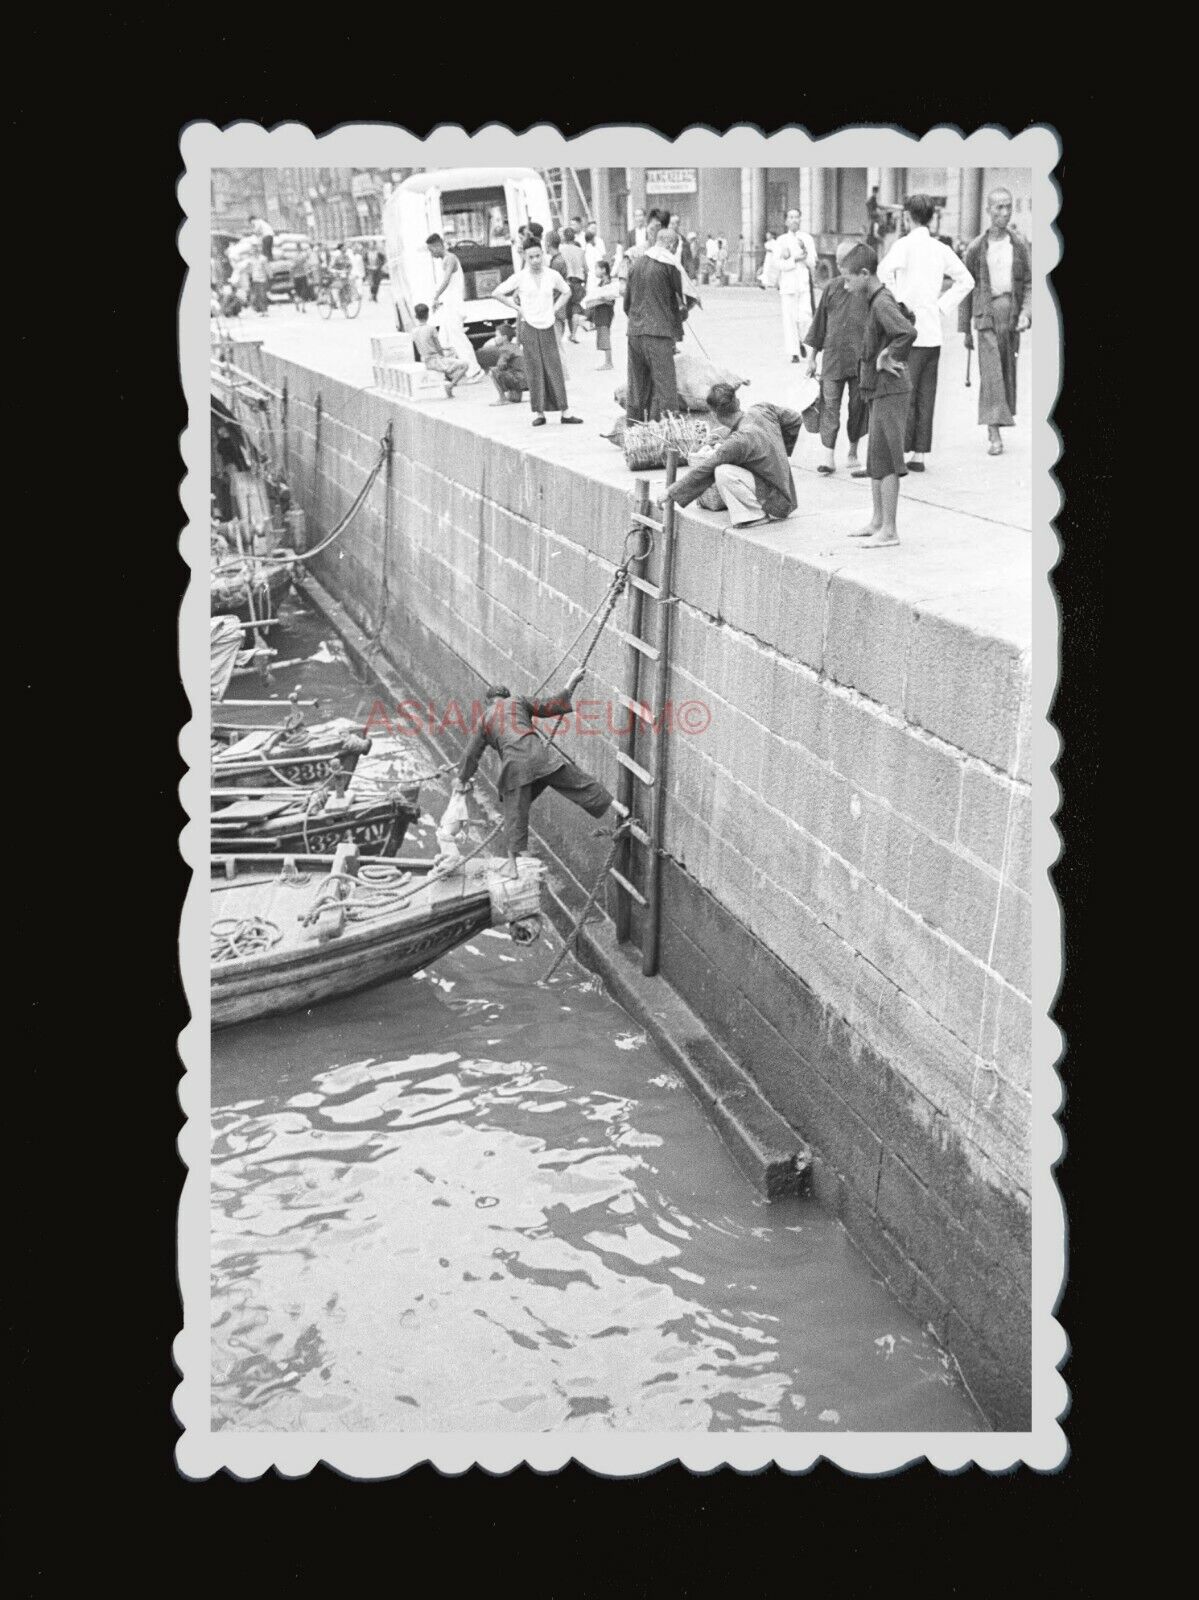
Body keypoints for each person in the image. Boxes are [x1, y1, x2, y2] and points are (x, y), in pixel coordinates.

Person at [454, 668, 612, 878]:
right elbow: (552, 705)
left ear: (489, 702)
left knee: (514, 814)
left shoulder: (484, 719)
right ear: (506, 698)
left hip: (516, 769)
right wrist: (572, 681)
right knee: (578, 783)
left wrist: (461, 778)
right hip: (541, 758)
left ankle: (515, 866)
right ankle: (619, 807)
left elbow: (471, 754)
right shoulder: (518, 701)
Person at [877, 193, 974, 471]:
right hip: (933, 331)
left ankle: (902, 452)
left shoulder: (903, 245)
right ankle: (919, 454)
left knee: (905, 392)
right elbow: (966, 281)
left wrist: (898, 302)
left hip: (908, 330)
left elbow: (884, 273)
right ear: (931, 217)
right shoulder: (940, 248)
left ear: (907, 217)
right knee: (926, 394)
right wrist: (941, 306)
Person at [839, 243, 916, 548]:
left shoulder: (881, 302)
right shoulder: (876, 299)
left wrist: (888, 353)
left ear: (865, 274)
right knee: (875, 458)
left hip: (891, 388)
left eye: (848, 279)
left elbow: (907, 331)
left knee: (886, 459)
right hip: (877, 389)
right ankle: (877, 521)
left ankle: (890, 530)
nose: (846, 285)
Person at [659, 384, 803, 528]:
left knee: (722, 471)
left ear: (713, 414)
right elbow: (795, 419)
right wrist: (781, 449)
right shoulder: (762, 409)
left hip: (777, 505)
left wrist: (671, 492)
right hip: (787, 496)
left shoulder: (738, 441)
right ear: (738, 402)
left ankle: (754, 515)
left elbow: (704, 469)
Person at [959, 187, 1032, 455]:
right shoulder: (977, 247)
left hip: (1010, 316)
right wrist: (964, 328)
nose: (1004, 212)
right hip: (985, 315)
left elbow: (1029, 283)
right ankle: (994, 433)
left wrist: (1026, 313)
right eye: (998, 207)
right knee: (991, 373)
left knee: (1005, 370)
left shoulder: (1019, 244)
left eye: (1008, 207)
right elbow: (965, 286)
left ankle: (999, 422)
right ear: (988, 210)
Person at [491, 240, 583, 426]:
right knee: (534, 369)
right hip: (529, 326)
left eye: (538, 256)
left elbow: (566, 292)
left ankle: (565, 412)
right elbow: (497, 293)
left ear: (543, 254)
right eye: (531, 257)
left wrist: (555, 308)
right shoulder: (521, 277)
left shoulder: (552, 275)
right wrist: (518, 308)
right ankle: (539, 413)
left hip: (548, 325)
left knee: (554, 367)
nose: (535, 260)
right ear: (525, 257)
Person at [804, 239, 870, 474]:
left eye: (845, 263)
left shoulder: (865, 289)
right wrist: (812, 357)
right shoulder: (831, 288)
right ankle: (828, 456)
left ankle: (853, 450)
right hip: (832, 357)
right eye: (839, 263)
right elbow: (819, 324)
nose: (842, 269)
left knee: (857, 406)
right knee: (829, 405)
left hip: (859, 359)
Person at [623, 225, 687, 422]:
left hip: (634, 333)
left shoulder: (636, 264)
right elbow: (683, 297)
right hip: (658, 334)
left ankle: (633, 432)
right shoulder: (669, 265)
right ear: (670, 244)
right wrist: (680, 316)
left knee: (636, 386)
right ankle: (670, 436)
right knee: (665, 386)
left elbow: (627, 304)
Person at [427, 233, 483, 380]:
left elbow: (446, 281)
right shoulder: (445, 260)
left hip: (454, 306)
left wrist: (436, 296)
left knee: (458, 339)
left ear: (438, 246)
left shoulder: (450, 258)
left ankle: (474, 370)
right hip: (448, 305)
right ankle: (450, 372)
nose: (431, 254)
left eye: (431, 250)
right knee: (444, 340)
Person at [776, 208, 817, 362]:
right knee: (789, 319)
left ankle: (802, 341)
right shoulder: (781, 241)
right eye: (791, 217)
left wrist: (804, 254)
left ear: (800, 220)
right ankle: (793, 352)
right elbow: (778, 263)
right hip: (788, 285)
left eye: (797, 217)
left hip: (803, 284)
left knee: (805, 317)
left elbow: (812, 262)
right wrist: (794, 259)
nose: (794, 220)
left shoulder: (807, 238)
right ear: (786, 221)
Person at [411, 303, 470, 397]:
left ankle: (448, 375)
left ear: (416, 316)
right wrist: (444, 353)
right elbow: (438, 348)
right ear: (428, 315)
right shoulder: (431, 329)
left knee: (450, 358)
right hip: (436, 361)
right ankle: (450, 386)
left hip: (425, 360)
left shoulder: (414, 331)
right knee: (465, 365)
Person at [478, 322, 527, 404]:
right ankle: (515, 396)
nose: (495, 338)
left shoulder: (505, 349)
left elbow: (500, 365)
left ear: (504, 337)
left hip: (520, 381)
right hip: (526, 381)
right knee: (513, 398)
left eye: (497, 336)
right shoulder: (514, 346)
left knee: (494, 371)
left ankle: (502, 398)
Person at [584, 260, 618, 370]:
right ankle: (608, 361)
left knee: (605, 336)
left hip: (605, 312)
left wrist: (601, 299)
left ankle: (609, 362)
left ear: (603, 270)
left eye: (597, 268)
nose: (595, 271)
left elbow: (611, 299)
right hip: (601, 312)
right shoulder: (602, 283)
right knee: (603, 335)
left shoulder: (608, 283)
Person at [559, 226, 588, 342]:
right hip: (578, 281)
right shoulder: (580, 251)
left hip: (566, 281)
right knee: (575, 307)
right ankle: (574, 334)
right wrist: (585, 283)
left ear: (564, 237)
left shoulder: (561, 250)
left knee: (566, 308)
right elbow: (586, 269)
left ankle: (568, 333)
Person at [291, 240, 314, 311]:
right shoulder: (300, 256)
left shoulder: (295, 257)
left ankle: (302, 306)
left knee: (301, 293)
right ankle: (300, 305)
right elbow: (306, 264)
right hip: (300, 276)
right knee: (301, 293)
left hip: (299, 276)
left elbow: (292, 268)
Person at [248, 243, 270, 315]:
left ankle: (265, 310)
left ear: (257, 251)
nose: (253, 252)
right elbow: (250, 270)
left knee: (263, 295)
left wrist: (269, 275)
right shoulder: (251, 260)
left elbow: (267, 268)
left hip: (262, 279)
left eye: (254, 251)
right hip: (255, 279)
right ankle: (260, 311)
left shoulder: (263, 259)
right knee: (257, 296)